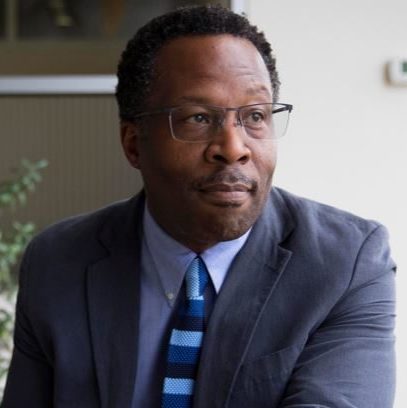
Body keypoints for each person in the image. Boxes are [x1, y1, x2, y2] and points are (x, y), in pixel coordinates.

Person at [2, 5, 396, 408]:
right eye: (197, 118)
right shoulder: (58, 262)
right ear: (134, 143)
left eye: (256, 116)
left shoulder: (347, 262)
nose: (234, 148)